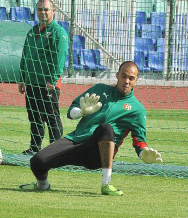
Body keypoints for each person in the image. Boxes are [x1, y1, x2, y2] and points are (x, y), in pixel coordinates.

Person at [19, 61, 163, 196]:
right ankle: (42, 185)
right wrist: (81, 112)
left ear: (136, 80)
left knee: (105, 128)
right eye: (123, 76)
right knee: (37, 161)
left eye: (131, 78)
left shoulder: (137, 109)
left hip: (98, 154)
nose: (126, 81)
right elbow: (70, 112)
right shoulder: (100, 89)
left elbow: (139, 141)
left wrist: (143, 153)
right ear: (117, 75)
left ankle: (106, 184)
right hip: (76, 141)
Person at [18, 0, 69, 155]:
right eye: (40, 9)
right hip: (32, 83)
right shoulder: (32, 31)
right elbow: (25, 56)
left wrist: (52, 80)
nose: (43, 12)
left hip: (48, 84)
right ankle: (35, 148)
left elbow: (59, 59)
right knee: (34, 117)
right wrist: (22, 78)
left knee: (51, 117)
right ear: (36, 10)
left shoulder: (58, 32)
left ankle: (56, 151)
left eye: (46, 9)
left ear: (53, 10)